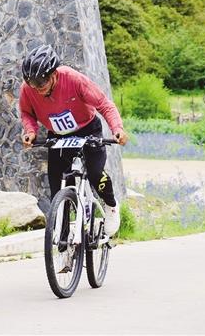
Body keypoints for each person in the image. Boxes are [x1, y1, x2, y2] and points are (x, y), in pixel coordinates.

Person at [19, 44, 128, 237]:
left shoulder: (74, 79)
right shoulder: (28, 89)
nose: (37, 87)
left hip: (87, 129)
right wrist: (30, 131)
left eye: (41, 81)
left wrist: (117, 128)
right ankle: (63, 241)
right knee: (57, 186)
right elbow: (27, 112)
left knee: (95, 173)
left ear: (54, 74)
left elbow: (104, 105)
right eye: (32, 82)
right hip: (58, 135)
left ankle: (111, 206)